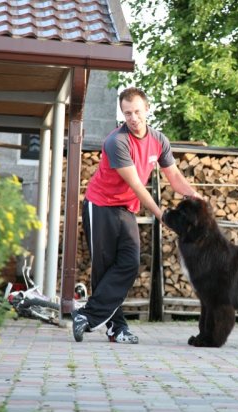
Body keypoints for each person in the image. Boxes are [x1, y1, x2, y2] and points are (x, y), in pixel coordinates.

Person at [72, 87, 200, 343]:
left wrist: (196, 197)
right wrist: (161, 215)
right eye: (127, 113)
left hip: (126, 209)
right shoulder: (116, 142)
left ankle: (86, 315)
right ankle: (116, 328)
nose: (133, 118)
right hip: (101, 206)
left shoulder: (158, 140)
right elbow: (137, 186)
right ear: (123, 113)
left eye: (137, 112)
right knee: (104, 268)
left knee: (129, 264)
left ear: (147, 109)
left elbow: (174, 176)